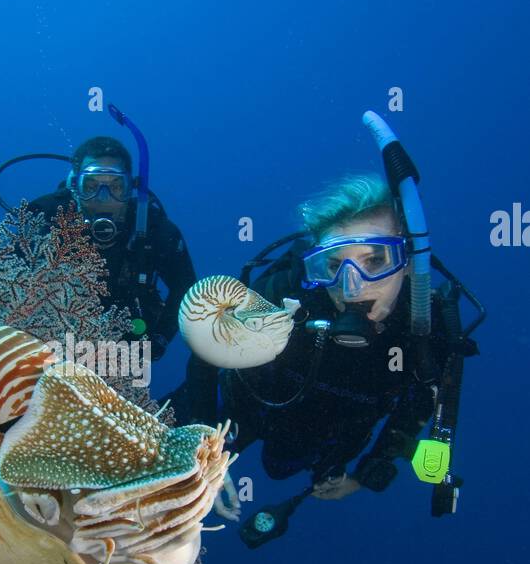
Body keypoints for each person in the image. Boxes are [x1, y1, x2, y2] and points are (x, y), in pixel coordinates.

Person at [171, 172, 452, 512]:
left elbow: (419, 404)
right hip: (239, 405)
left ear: (408, 263)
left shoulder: (424, 328)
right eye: (333, 265)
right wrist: (201, 447)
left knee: (279, 469)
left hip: (322, 435)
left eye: (375, 261)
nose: (352, 287)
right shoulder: (286, 292)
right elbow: (206, 355)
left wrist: (363, 476)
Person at [27, 135, 195, 361]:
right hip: (48, 344)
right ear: (75, 186)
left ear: (131, 188)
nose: (103, 199)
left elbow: (186, 288)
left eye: (116, 186)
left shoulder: (155, 229)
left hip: (124, 350)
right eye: (91, 186)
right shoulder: (45, 216)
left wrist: (161, 338)